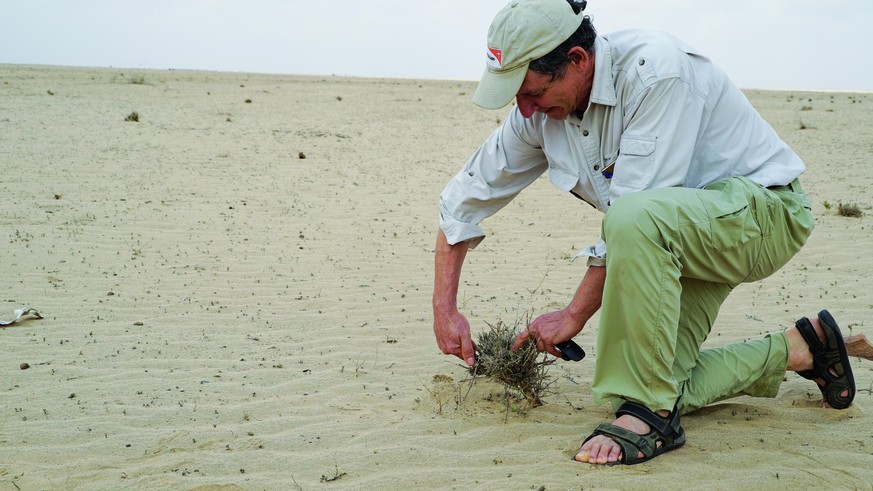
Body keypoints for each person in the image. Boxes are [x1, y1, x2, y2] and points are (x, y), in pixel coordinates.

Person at [432, 0, 856, 466]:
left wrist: (572, 315)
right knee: (657, 385)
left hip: (764, 215)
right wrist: (445, 309)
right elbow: (463, 199)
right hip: (680, 239)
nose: (524, 108)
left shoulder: (657, 73)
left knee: (634, 231)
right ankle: (805, 348)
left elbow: (632, 214)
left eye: (531, 92)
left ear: (577, 59)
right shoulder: (538, 113)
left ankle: (648, 416)